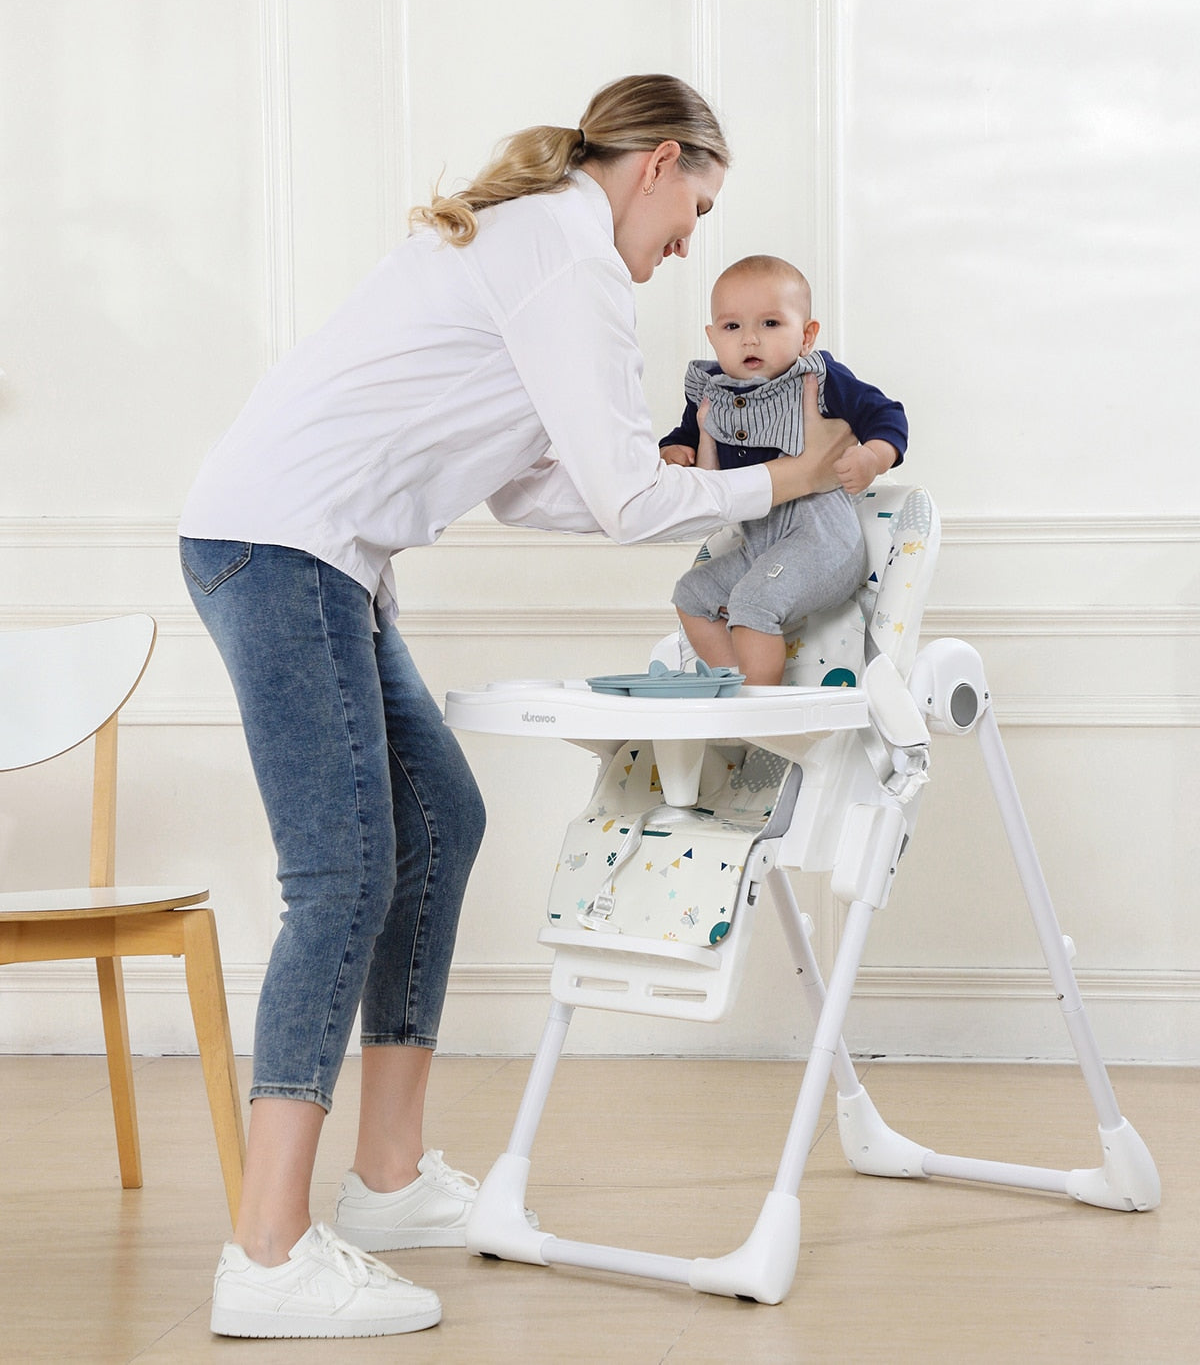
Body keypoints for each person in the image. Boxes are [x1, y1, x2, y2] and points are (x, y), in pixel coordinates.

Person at [179, 75, 856, 1340]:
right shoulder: (569, 256)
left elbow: (538, 490)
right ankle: (266, 1253)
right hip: (285, 550)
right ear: (659, 163)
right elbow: (622, 509)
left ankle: (385, 1181)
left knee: (438, 820)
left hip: (310, 552)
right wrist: (782, 483)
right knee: (342, 876)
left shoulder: (540, 239)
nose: (688, 244)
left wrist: (659, 471)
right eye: (695, 207)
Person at [659, 254, 908, 685]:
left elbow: (886, 414)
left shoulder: (818, 378)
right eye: (733, 327)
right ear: (713, 336)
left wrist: (873, 457)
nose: (750, 340)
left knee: (753, 603)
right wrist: (676, 449)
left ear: (807, 334)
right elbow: (684, 432)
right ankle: (732, 684)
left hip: (821, 539)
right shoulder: (711, 391)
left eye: (770, 324)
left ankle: (761, 709)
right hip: (761, 542)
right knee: (691, 594)